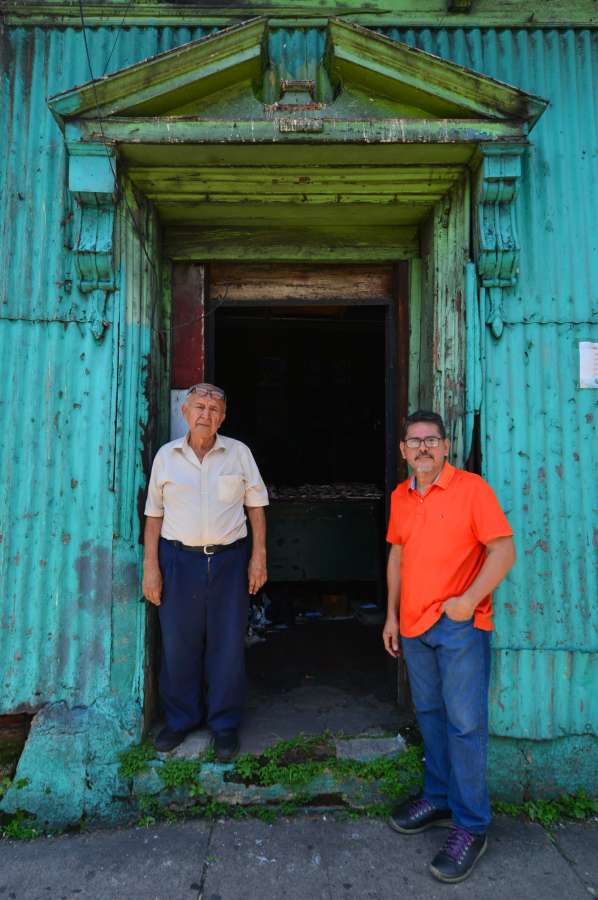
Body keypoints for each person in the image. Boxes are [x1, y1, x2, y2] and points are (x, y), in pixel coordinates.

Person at [383, 409, 515, 884]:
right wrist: (393, 616)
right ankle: (438, 796)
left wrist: (466, 602)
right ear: (403, 450)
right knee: (432, 717)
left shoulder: (471, 490)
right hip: (415, 628)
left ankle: (471, 825)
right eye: (414, 440)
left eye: (431, 440)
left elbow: (503, 550)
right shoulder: (401, 496)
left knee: (465, 725)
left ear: (445, 447)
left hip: (459, 627)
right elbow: (397, 554)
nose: (423, 448)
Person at [142, 383, 268, 760]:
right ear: (185, 412)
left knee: (227, 645)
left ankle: (224, 724)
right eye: (199, 407)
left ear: (223, 417)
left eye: (214, 409)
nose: (205, 415)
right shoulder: (167, 457)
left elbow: (256, 507)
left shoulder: (239, 454)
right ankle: (180, 720)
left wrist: (258, 556)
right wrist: (151, 566)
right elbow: (153, 515)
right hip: (178, 561)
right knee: (179, 643)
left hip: (229, 561)